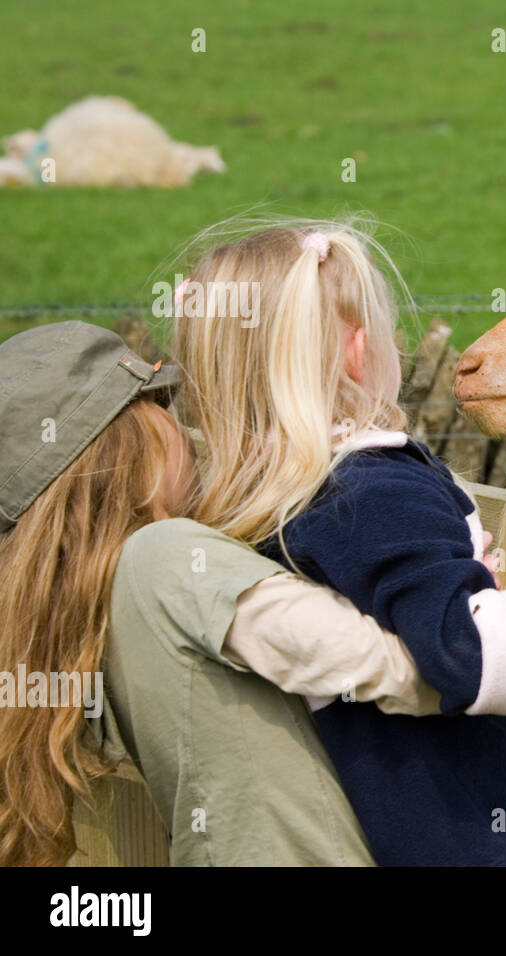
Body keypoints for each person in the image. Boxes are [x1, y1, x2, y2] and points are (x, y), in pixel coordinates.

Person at [170, 218, 506, 866]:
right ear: (359, 352)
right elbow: (474, 658)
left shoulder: (267, 496)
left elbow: (392, 607)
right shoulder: (376, 492)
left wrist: (461, 574)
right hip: (474, 834)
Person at [0, 322, 463, 865]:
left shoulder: (94, 614)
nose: (184, 428)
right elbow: (423, 672)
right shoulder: (164, 558)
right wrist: (496, 617)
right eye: (157, 405)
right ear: (129, 443)